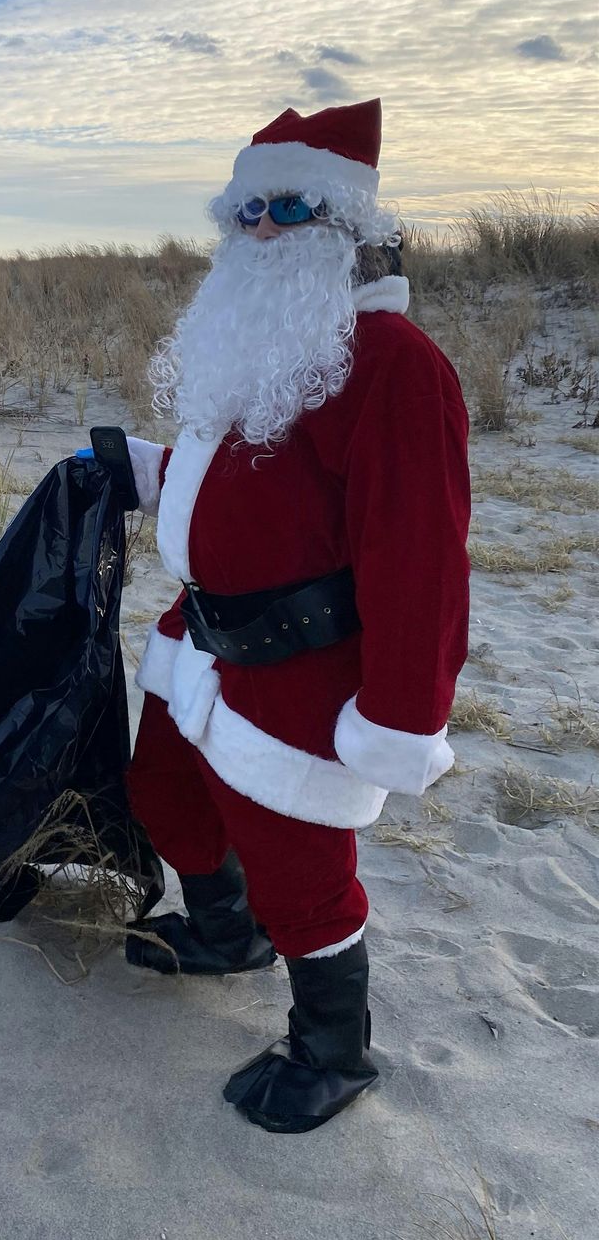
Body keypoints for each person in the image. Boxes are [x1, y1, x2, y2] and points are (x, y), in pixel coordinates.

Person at [111, 98, 471, 1135]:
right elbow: (233, 474)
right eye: (245, 212)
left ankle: (333, 1049)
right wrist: (138, 468)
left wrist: (397, 720)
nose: (261, 230)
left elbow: (421, 560)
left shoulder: (398, 367)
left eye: (289, 207)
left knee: (302, 872)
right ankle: (225, 933)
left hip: (302, 677)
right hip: (201, 645)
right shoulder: (260, 341)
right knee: (163, 790)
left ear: (344, 223)